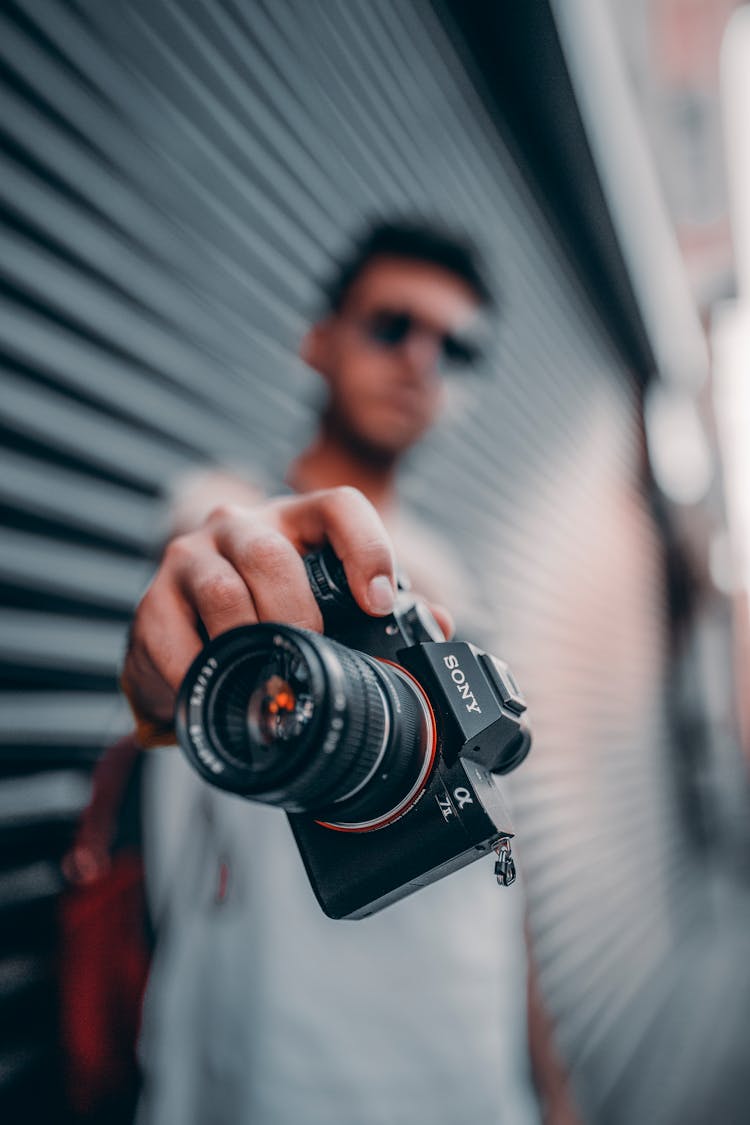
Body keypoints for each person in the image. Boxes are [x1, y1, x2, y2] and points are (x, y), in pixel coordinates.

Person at [122, 222, 542, 1125]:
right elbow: (170, 656)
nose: (422, 359)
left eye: (455, 346)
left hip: (468, 1061)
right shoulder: (224, 520)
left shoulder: (463, 585)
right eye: (393, 325)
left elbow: (505, 848)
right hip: (274, 1069)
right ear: (319, 340)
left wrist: (553, 1084)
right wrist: (186, 655)